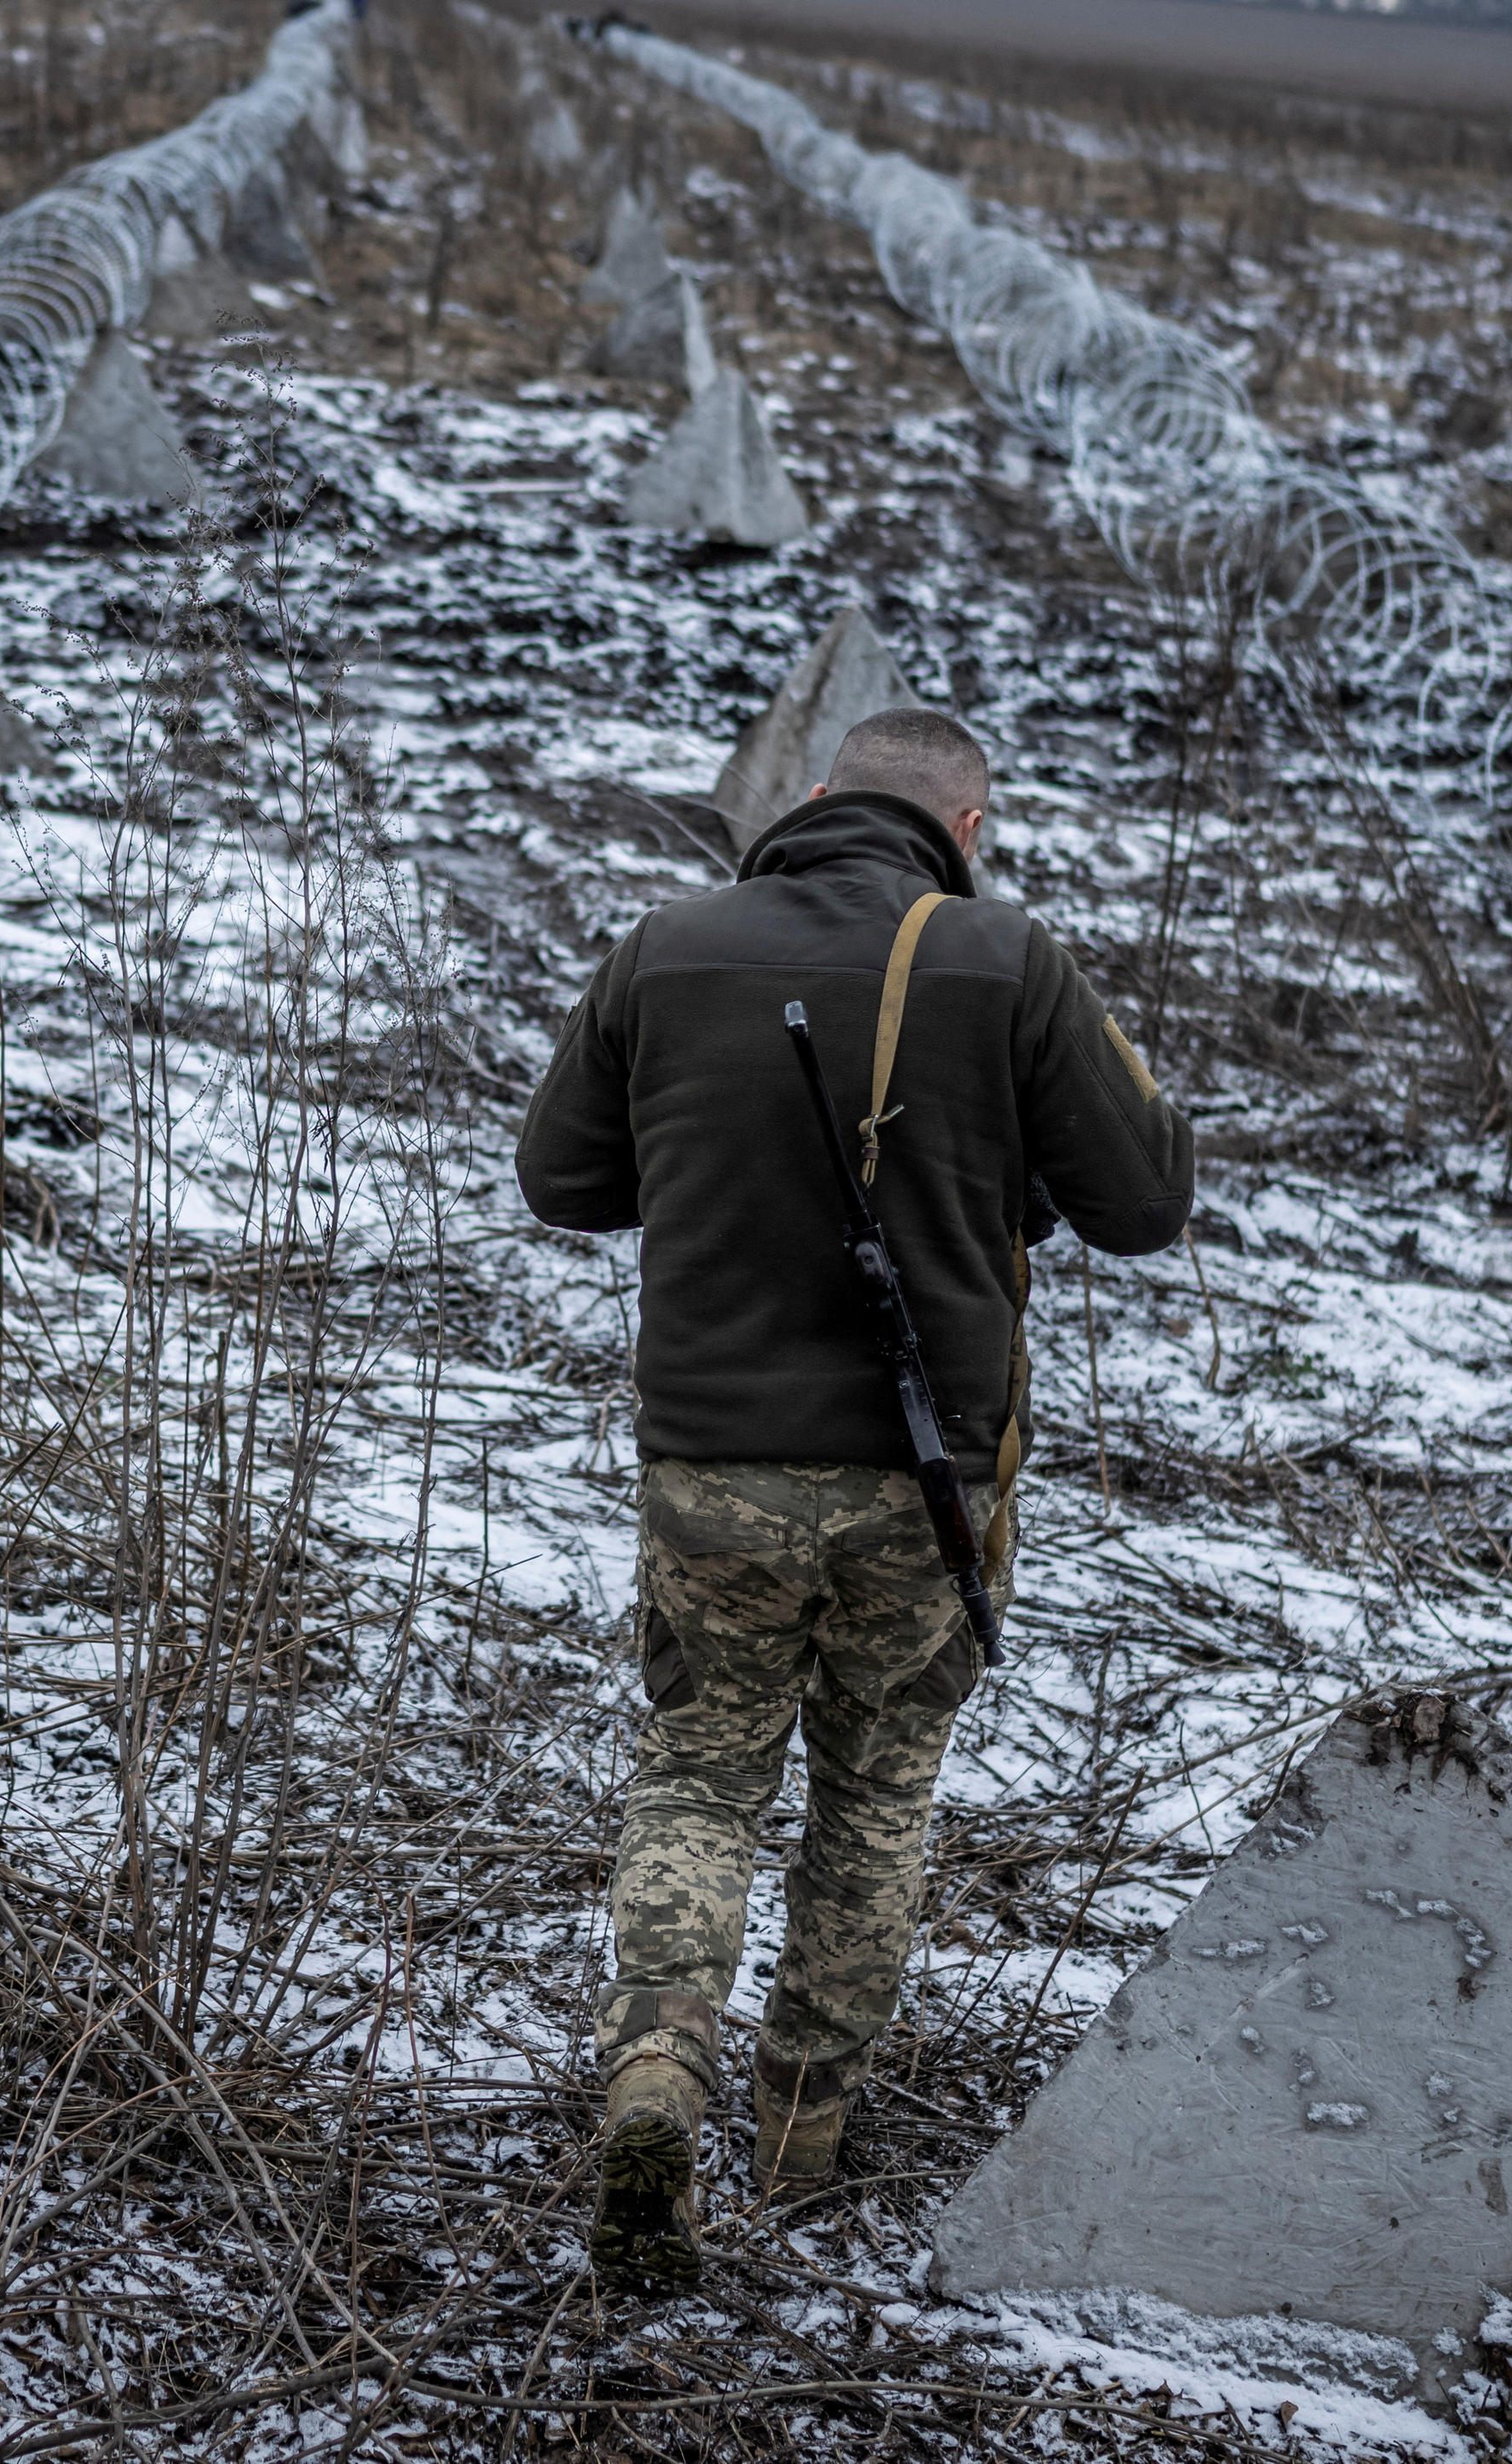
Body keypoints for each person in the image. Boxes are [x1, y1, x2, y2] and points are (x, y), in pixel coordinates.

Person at [515, 706, 1196, 2285]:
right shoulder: (1003, 959)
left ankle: (653, 2082)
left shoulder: (667, 945)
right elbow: (1149, 1198)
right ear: (968, 833)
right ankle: (801, 2138)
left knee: (698, 1775)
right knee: (874, 1803)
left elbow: (562, 1179)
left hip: (709, 1470)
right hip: (926, 1487)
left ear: (814, 800)